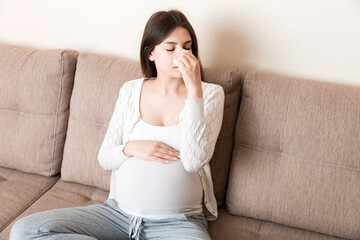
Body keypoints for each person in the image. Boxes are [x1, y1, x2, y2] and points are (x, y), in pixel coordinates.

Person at [10, 9, 225, 240]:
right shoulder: (131, 91)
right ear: (151, 53)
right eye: (170, 48)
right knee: (25, 231)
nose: (181, 54)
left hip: (177, 223)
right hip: (116, 215)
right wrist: (131, 147)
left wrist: (194, 90)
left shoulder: (210, 95)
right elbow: (105, 157)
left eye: (187, 46)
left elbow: (194, 162)